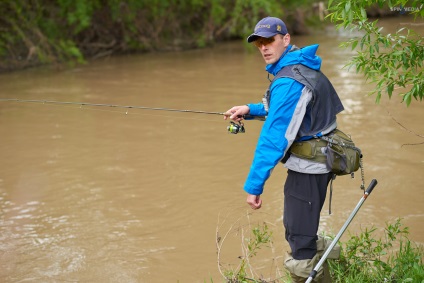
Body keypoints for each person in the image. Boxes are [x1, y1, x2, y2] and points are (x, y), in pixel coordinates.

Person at [224, 17, 343, 283]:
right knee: (304, 228)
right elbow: (283, 110)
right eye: (259, 44)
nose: (264, 48)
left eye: (269, 41)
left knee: (299, 239)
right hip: (321, 161)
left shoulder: (289, 80)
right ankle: (339, 270)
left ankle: (311, 274)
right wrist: (249, 109)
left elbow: (274, 138)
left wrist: (254, 185)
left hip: (309, 168)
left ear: (285, 39)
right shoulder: (299, 66)